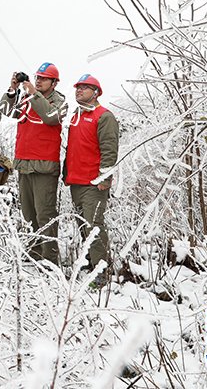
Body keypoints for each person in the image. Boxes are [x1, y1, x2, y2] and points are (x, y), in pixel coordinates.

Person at [0, 62, 67, 265]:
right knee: (28, 215)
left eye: (43, 78)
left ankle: (50, 261)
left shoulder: (60, 101)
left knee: (45, 214)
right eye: (37, 77)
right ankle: (33, 256)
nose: (38, 81)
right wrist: (12, 91)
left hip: (44, 167)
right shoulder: (27, 99)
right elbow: (6, 111)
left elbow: (50, 117)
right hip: (24, 165)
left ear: (54, 83)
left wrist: (32, 94)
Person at [64, 74, 119, 279]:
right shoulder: (75, 116)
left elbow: (109, 150)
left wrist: (105, 178)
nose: (79, 90)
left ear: (96, 93)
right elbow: (72, 149)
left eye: (85, 88)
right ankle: (92, 263)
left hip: (94, 184)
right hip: (76, 181)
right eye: (78, 87)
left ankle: (103, 272)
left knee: (94, 225)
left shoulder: (104, 116)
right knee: (83, 226)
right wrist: (66, 173)